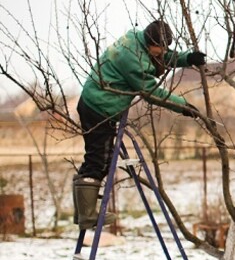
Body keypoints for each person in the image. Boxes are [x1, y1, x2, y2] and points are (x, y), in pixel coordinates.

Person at [73, 20, 206, 230]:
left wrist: (187, 58)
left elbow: (160, 57)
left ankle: (81, 212)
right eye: (160, 47)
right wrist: (183, 107)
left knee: (96, 158)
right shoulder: (133, 62)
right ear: (151, 42)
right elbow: (152, 93)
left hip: (95, 102)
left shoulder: (136, 39)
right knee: (98, 161)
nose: (163, 52)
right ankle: (87, 215)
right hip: (99, 107)